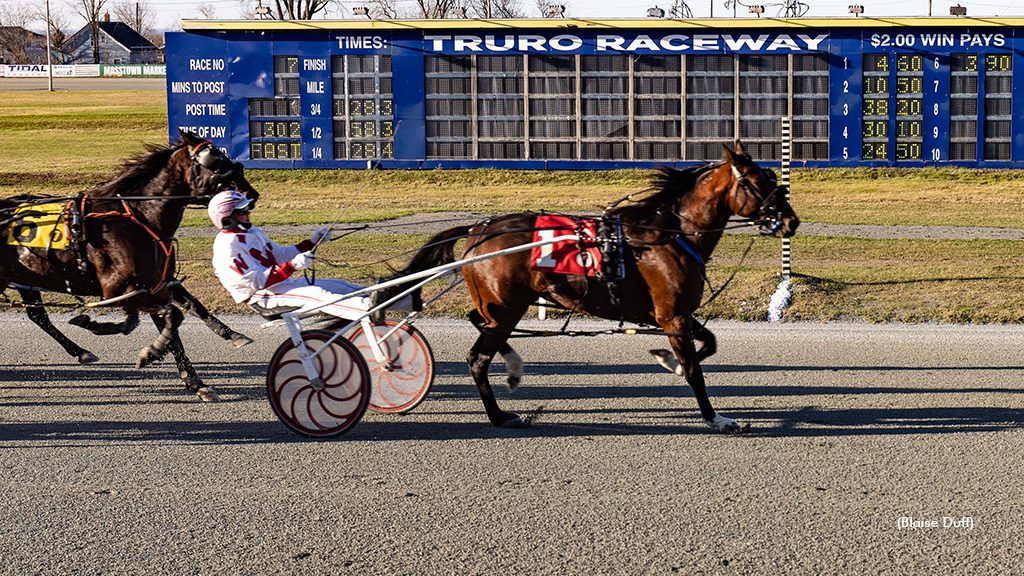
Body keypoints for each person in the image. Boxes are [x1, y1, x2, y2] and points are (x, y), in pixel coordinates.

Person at [208, 189, 406, 322]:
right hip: (261, 298)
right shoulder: (226, 247)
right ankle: (368, 311)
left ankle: (403, 301)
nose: (248, 213)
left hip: (279, 287)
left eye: (247, 209)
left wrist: (311, 242)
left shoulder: (252, 232)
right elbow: (256, 282)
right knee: (318, 295)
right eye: (242, 211)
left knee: (339, 285)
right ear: (227, 219)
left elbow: (280, 255)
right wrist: (293, 266)